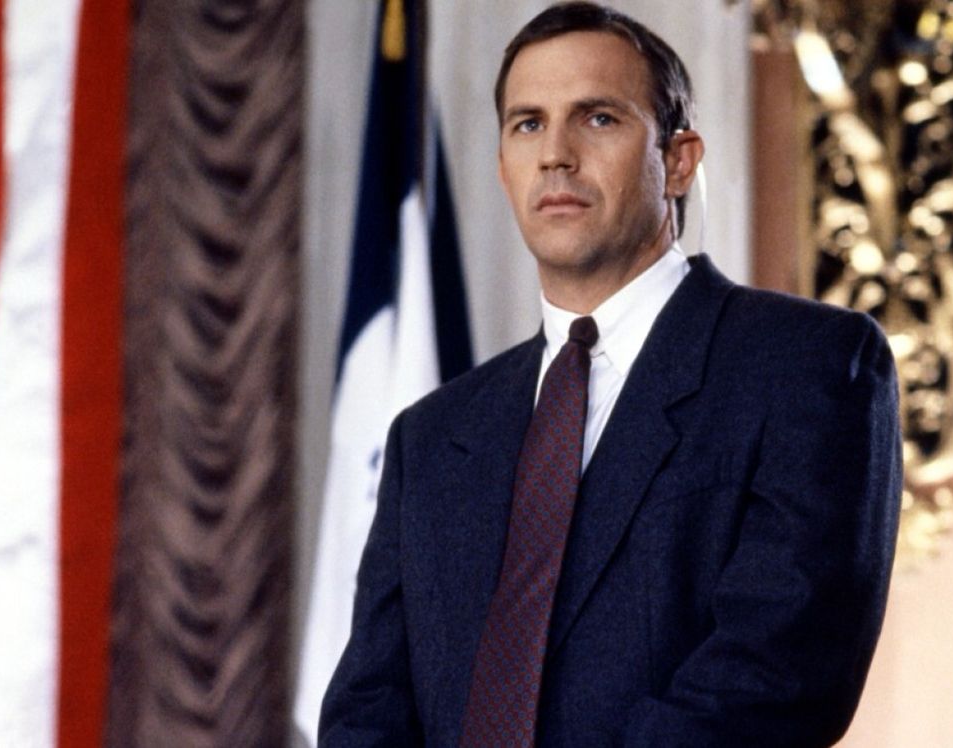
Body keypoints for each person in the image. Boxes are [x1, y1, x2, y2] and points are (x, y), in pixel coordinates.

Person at [319, 2, 902, 746]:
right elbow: (366, 709)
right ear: (503, 169)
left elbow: (775, 678)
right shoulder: (430, 437)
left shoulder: (806, 365)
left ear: (679, 160)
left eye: (598, 118)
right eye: (527, 124)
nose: (555, 154)